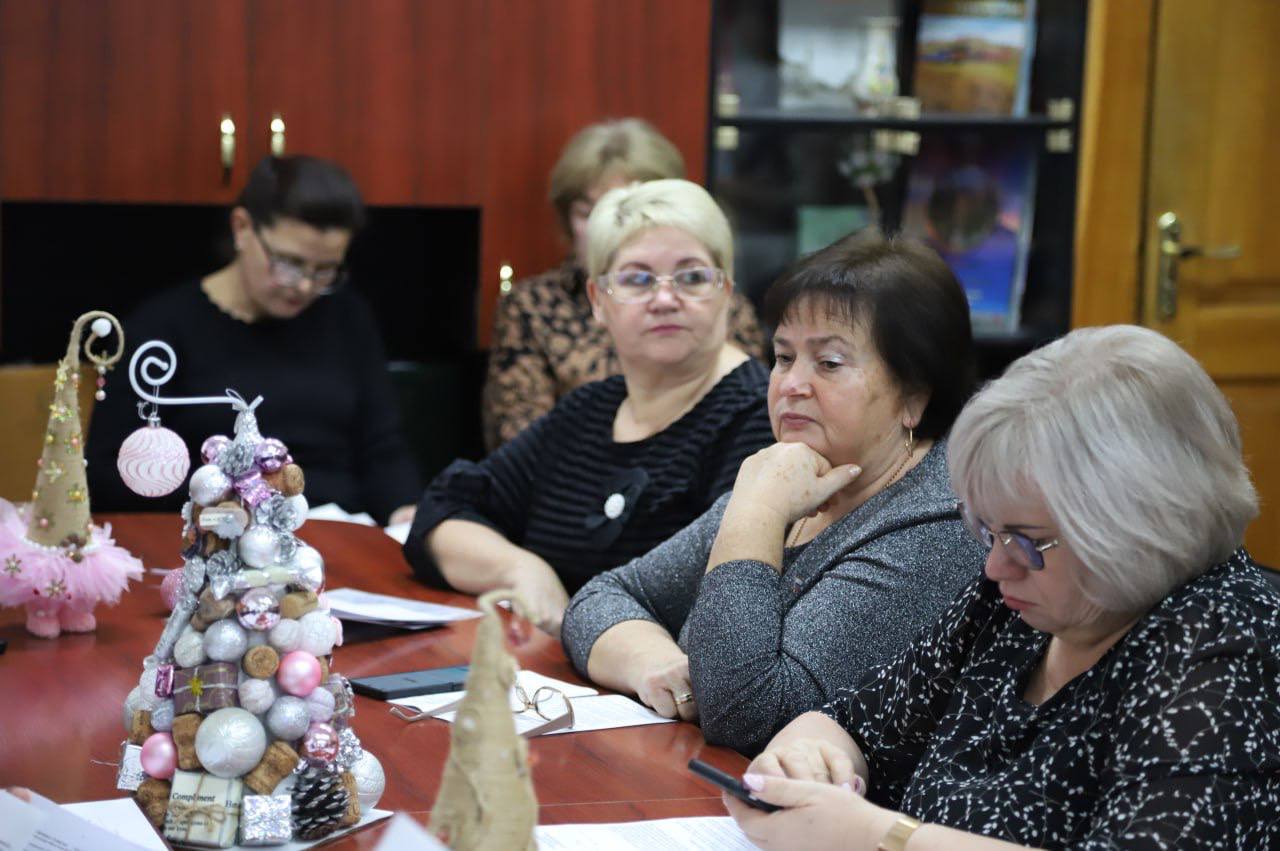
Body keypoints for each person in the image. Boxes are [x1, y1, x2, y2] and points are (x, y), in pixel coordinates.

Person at [726, 325, 1279, 850]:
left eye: (1026, 540)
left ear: (1141, 527)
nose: (994, 565)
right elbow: (853, 721)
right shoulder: (1020, 605)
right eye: (988, 530)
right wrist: (804, 760)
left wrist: (878, 835)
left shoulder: (1228, 643)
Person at [561, 234, 987, 752]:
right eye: (784, 358)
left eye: (829, 363)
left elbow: (747, 717)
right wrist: (658, 665)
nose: (790, 385)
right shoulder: (798, 475)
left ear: (914, 396)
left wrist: (756, 513)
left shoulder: (936, 526)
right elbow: (602, 597)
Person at [403, 179, 773, 637]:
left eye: (692, 277)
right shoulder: (588, 409)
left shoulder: (761, 417)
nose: (664, 299)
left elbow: (714, 601)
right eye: (637, 279)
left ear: (726, 293)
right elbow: (442, 512)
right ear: (598, 301)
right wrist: (522, 569)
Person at [86, 155, 420, 525]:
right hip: (214, 533)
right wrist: (225, 503)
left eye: (325, 270)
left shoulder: (347, 317)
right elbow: (110, 470)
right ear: (242, 228)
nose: (305, 285)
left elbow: (382, 447)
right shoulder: (163, 328)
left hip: (342, 527)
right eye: (289, 263)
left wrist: (405, 512)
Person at [482, 118, 765, 450]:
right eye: (588, 212)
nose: (606, 224)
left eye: (629, 208)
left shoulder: (713, 302)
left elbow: (743, 413)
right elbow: (520, 436)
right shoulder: (532, 307)